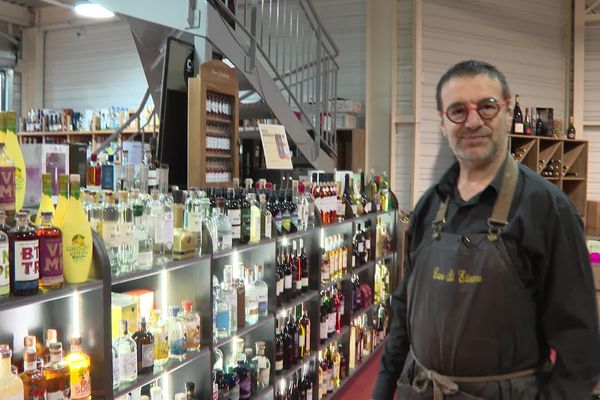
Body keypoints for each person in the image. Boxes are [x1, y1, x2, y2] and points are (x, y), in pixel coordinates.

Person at [372, 60, 600, 399]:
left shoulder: (547, 210)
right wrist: (383, 388)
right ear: (442, 121)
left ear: (508, 112)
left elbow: (579, 347)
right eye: (458, 110)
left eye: (487, 107)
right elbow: (404, 311)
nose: (473, 121)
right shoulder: (428, 207)